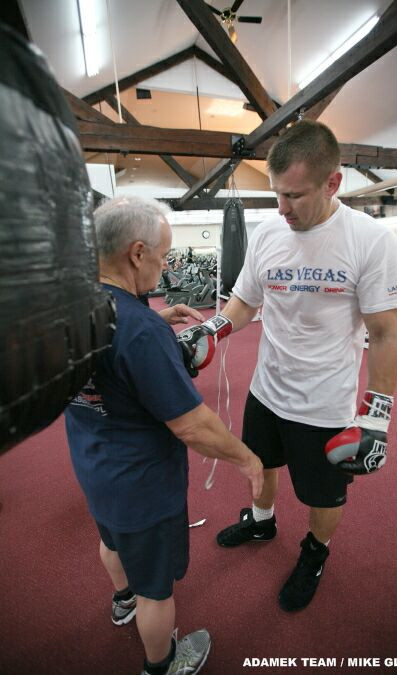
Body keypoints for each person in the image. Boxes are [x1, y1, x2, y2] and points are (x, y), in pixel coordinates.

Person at [177, 119, 397, 613]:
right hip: (267, 388)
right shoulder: (269, 233)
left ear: (333, 183)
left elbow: (390, 333)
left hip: (325, 403)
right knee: (260, 463)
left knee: (323, 497)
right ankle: (262, 519)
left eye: (294, 196)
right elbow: (244, 301)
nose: (282, 209)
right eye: (276, 195)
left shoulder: (371, 240)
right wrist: (211, 329)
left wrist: (376, 415)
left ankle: (314, 552)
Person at [64, 196, 263, 675]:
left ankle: (120, 601)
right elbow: (192, 424)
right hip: (143, 484)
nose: (166, 263)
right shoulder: (140, 333)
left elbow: (113, 361)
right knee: (158, 590)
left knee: (112, 542)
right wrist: (247, 459)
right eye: (162, 255)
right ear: (136, 253)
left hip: (95, 468)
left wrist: (154, 322)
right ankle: (164, 665)